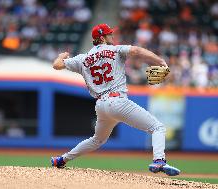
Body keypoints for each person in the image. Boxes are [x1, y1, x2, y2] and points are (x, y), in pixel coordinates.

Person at [51, 23, 180, 176]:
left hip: (101, 105)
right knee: (158, 127)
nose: (112, 36)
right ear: (102, 37)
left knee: (97, 140)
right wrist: (160, 61)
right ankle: (159, 160)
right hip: (117, 101)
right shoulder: (115, 49)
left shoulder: (82, 59)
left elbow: (56, 65)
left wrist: (61, 56)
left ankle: (61, 160)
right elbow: (137, 50)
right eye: (109, 34)